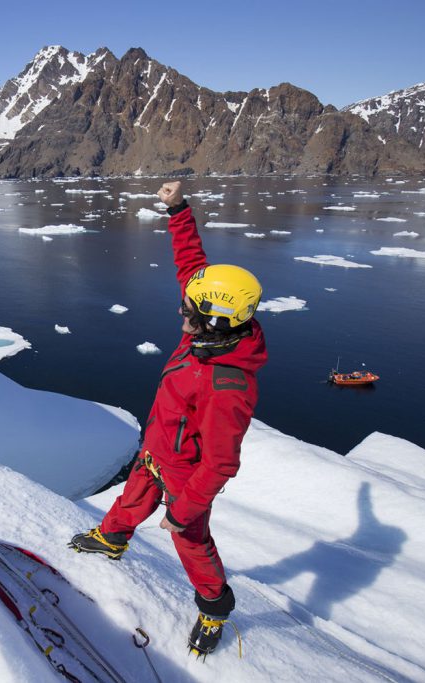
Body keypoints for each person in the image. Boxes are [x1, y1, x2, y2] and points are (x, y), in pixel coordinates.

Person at [69, 181, 267, 657]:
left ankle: (215, 608)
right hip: (158, 447)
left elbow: (220, 463)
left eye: (190, 313)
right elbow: (192, 268)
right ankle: (112, 537)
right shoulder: (206, 334)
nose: (181, 316)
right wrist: (177, 209)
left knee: (192, 544)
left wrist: (183, 511)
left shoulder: (228, 386)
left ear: (218, 321)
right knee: (134, 493)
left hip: (187, 475)